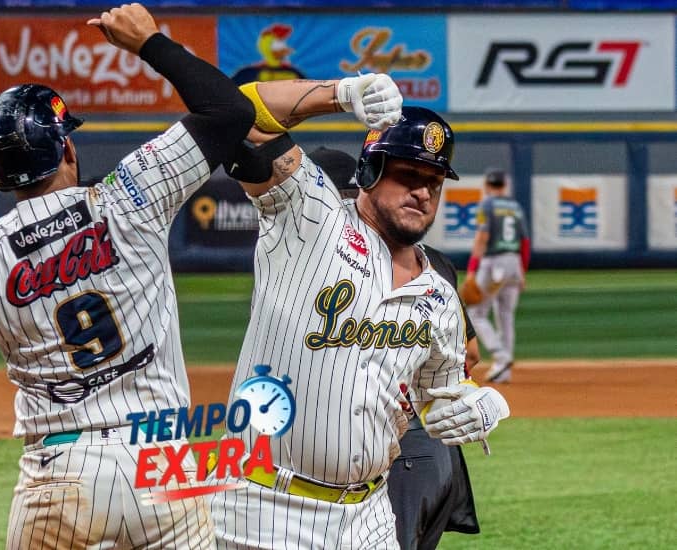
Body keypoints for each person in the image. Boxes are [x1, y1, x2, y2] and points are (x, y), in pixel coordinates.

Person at [0, 4, 261, 548]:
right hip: (165, 464)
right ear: (67, 147)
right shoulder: (131, 194)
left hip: (60, 474)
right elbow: (230, 110)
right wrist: (149, 43)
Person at [210, 93, 511, 548]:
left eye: (434, 182)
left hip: (368, 519)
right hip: (261, 508)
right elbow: (244, 114)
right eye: (408, 175)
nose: (423, 192)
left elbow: (438, 397)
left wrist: (477, 404)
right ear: (369, 172)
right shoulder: (312, 222)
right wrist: (338, 94)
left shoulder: (440, 297)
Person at [308, 146, 482, 549]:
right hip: (435, 455)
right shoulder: (431, 260)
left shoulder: (320, 257)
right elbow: (468, 355)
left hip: (398, 456)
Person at [467, 168, 531, 383]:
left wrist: (472, 269)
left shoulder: (486, 205)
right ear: (505, 185)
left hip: (494, 264)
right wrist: (522, 271)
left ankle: (501, 357)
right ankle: (503, 371)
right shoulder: (515, 207)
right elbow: (525, 243)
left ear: (487, 185)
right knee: (506, 317)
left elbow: (482, 237)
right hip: (514, 264)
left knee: (475, 314)